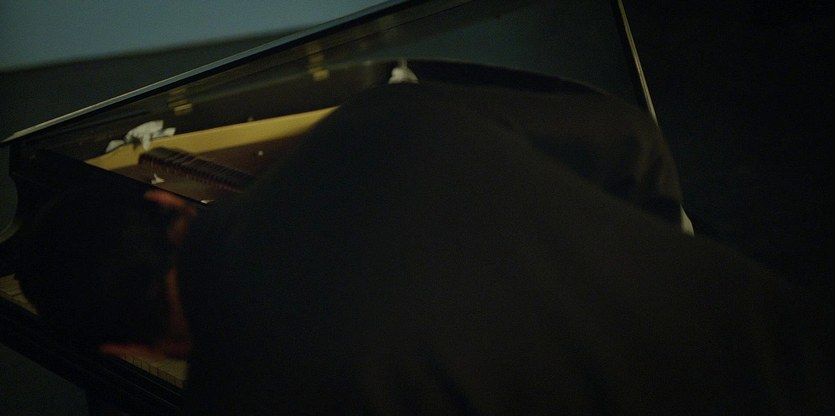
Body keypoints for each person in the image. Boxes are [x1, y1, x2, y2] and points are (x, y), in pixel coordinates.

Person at [17, 80, 833, 414]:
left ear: (123, 347)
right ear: (167, 203)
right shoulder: (375, 126)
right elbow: (627, 134)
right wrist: (631, 260)